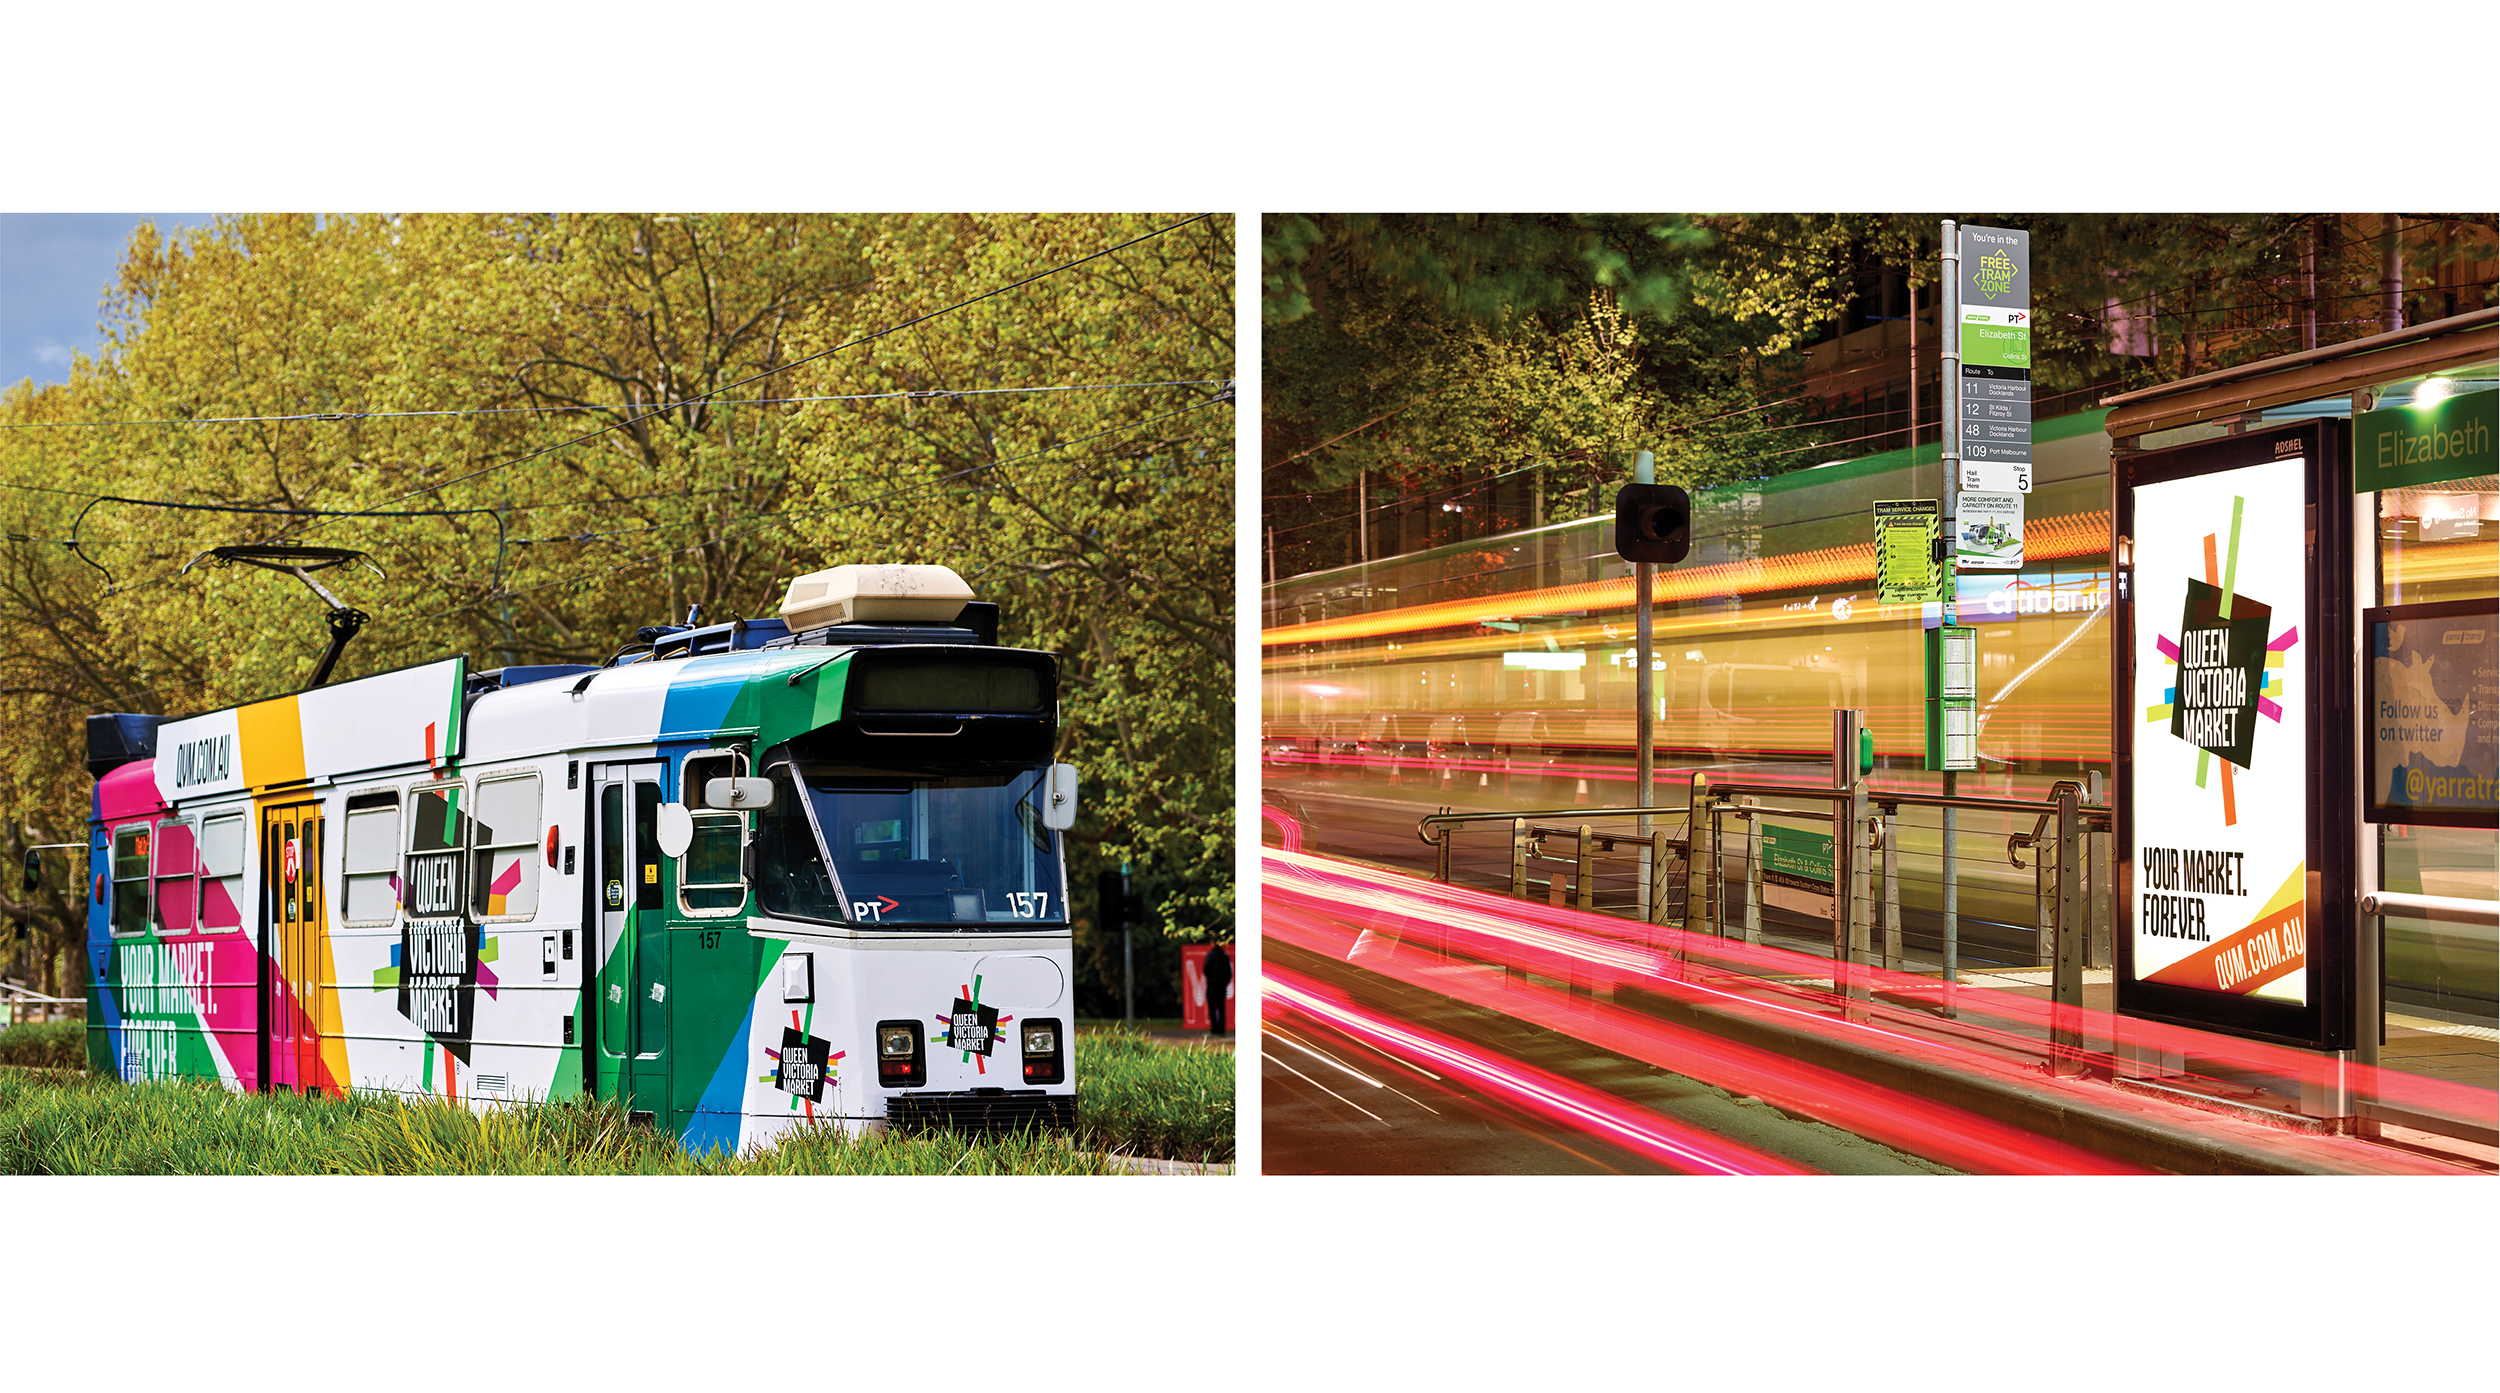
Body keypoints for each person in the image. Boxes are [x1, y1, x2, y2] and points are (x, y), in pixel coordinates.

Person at [1202, 941, 1232, 1037]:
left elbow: (1205, 970)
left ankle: (1214, 1029)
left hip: (1212, 985)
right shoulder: (1225, 956)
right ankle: (1221, 1030)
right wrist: (1225, 982)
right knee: (1221, 1007)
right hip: (1222, 986)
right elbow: (1229, 973)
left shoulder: (1211, 955)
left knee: (1212, 1008)